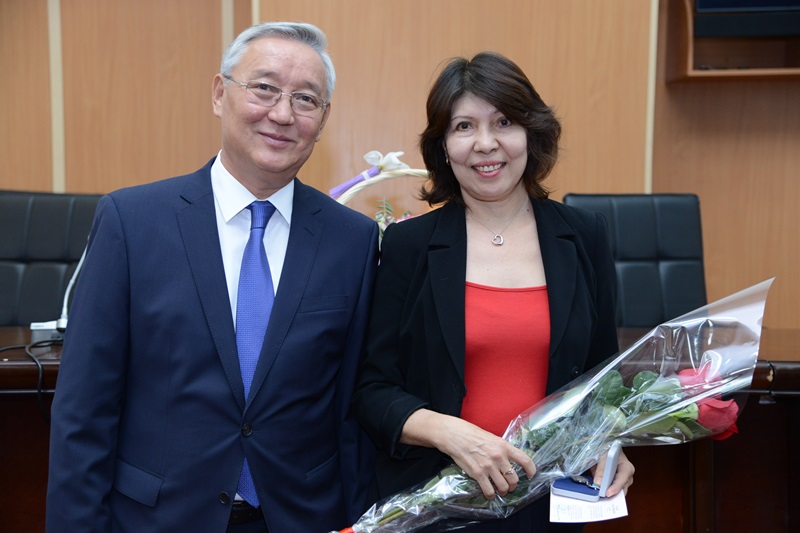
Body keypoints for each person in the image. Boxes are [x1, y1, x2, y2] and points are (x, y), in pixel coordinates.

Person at [46, 22, 378, 533]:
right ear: (220, 93)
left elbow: (350, 415)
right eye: (264, 88)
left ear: (323, 118)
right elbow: (83, 413)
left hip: (302, 517)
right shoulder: (132, 222)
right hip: (159, 519)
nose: (282, 114)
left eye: (305, 99)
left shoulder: (352, 239)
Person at [353, 51, 635, 532]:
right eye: (464, 126)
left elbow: (601, 378)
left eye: (504, 122)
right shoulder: (409, 245)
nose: (486, 143)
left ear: (531, 133)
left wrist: (609, 441)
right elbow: (372, 391)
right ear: (444, 147)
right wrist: (452, 434)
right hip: (437, 500)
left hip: (550, 500)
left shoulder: (584, 235)